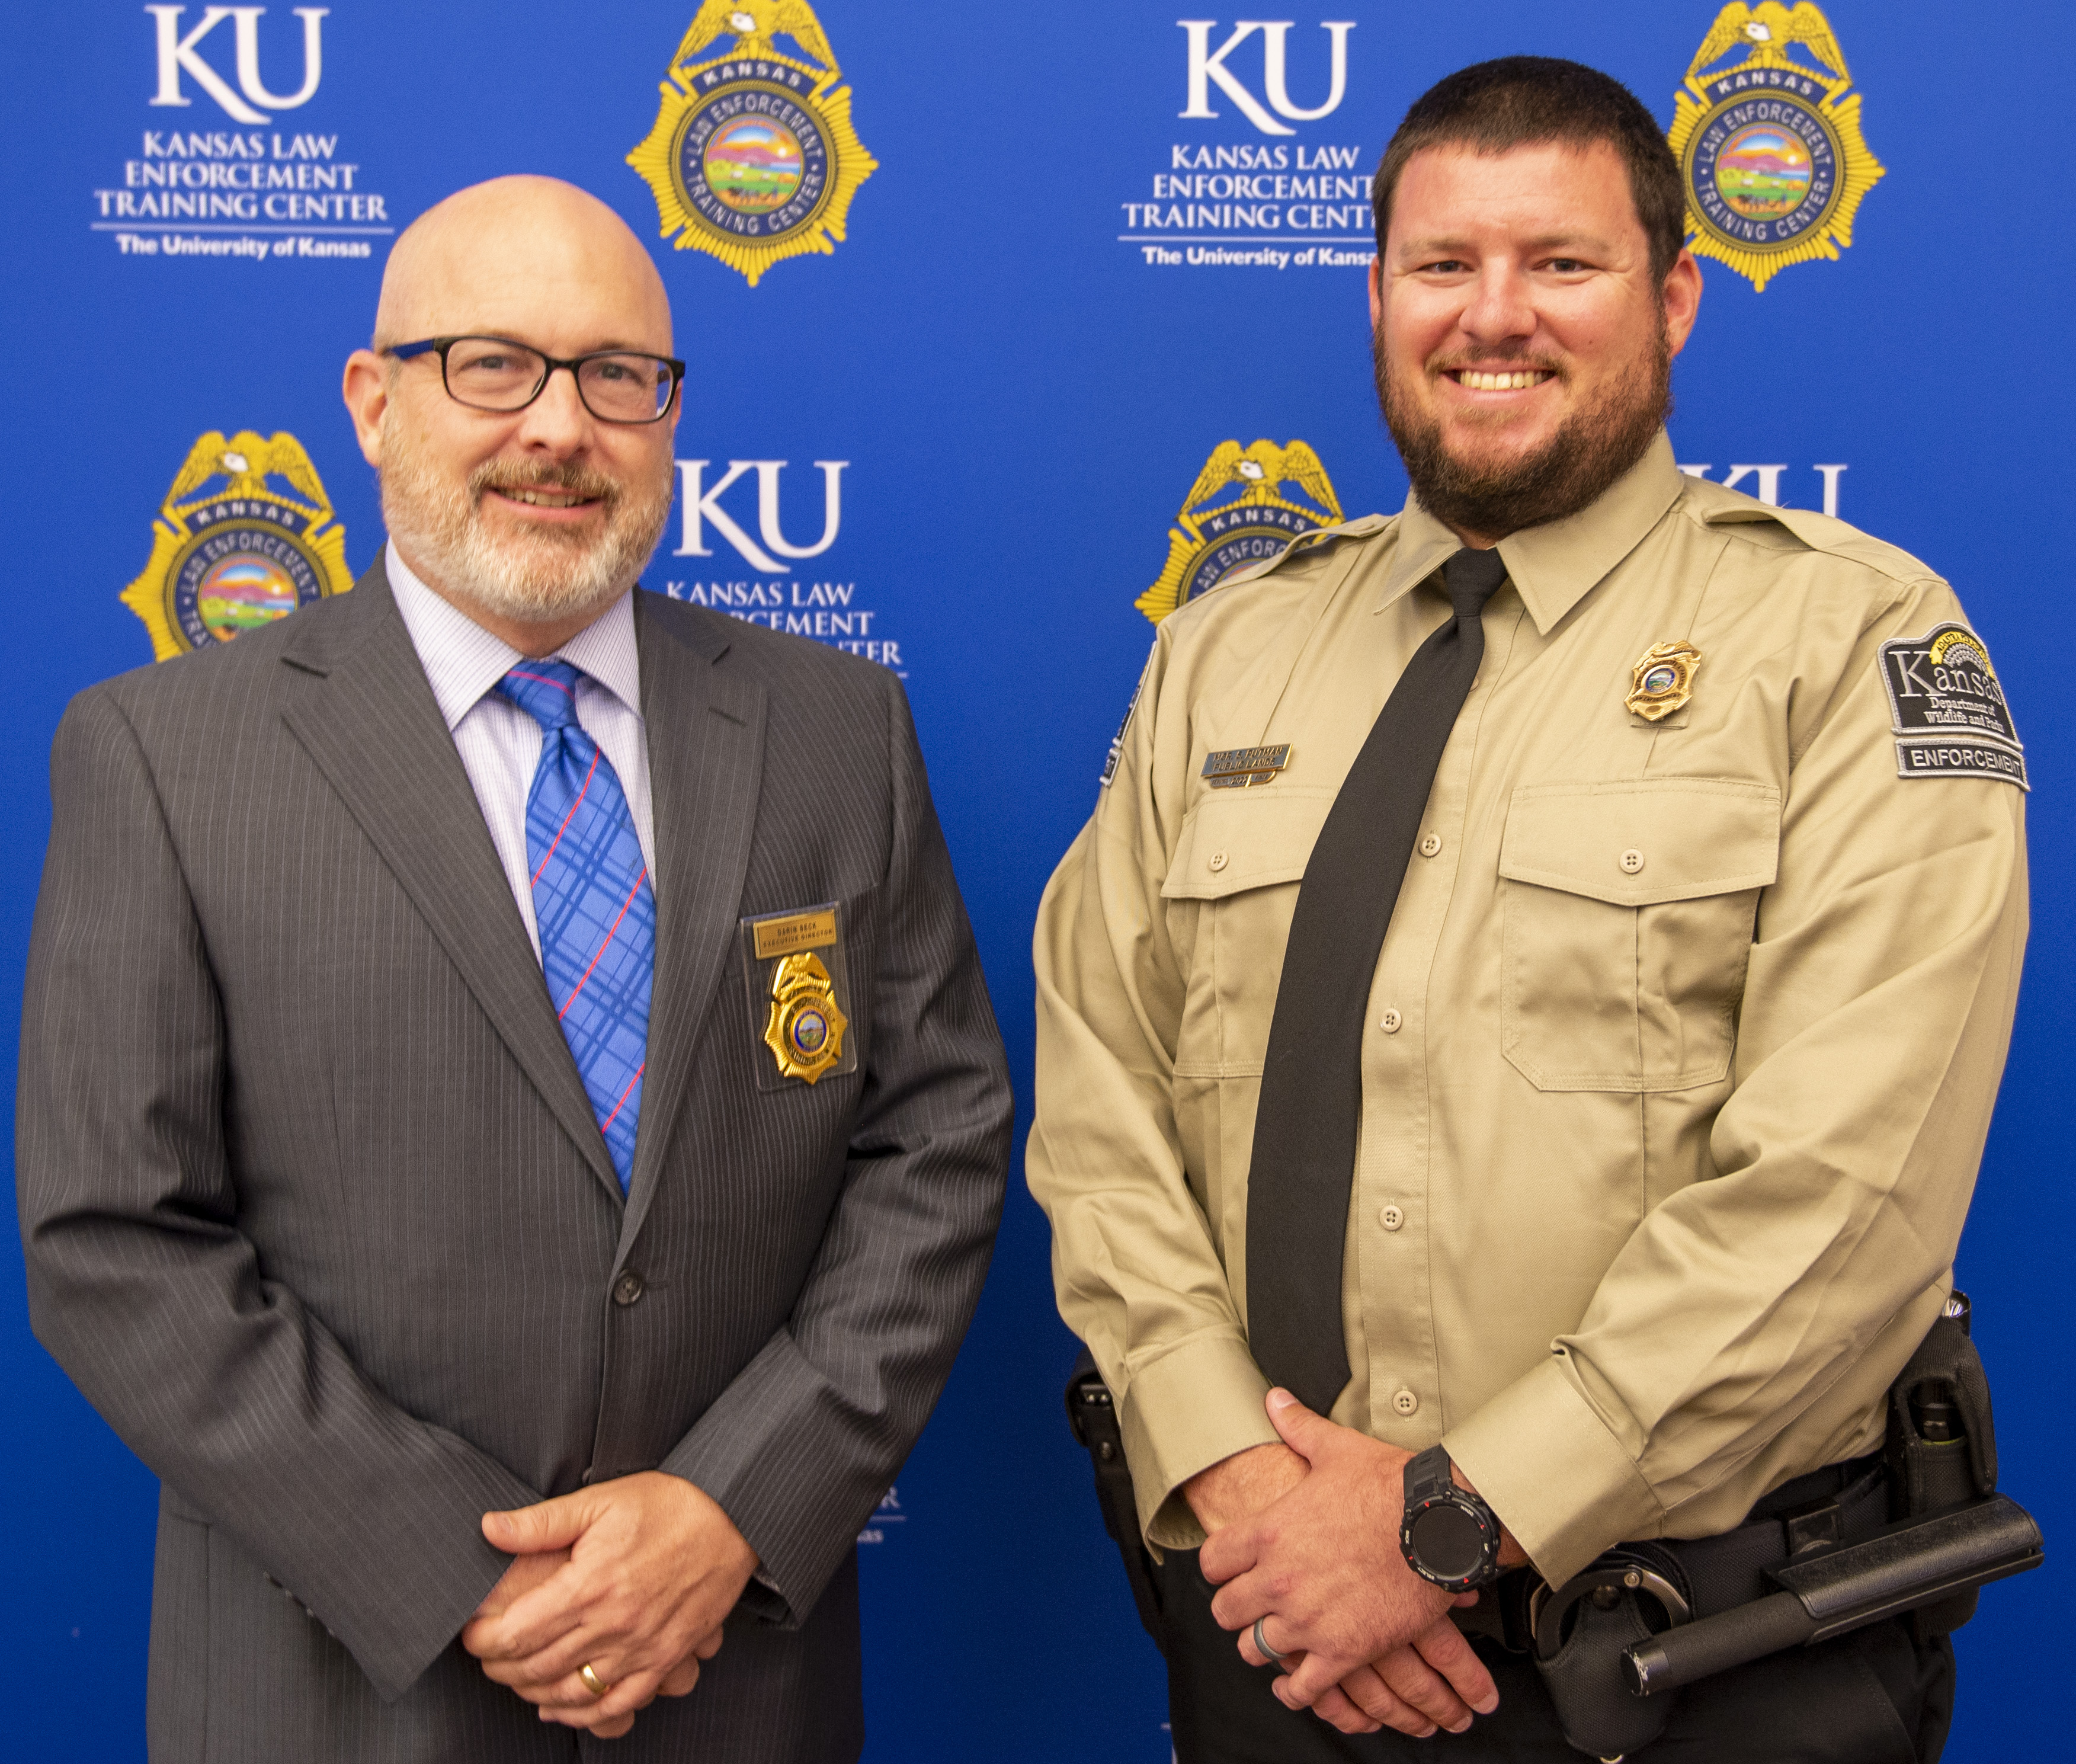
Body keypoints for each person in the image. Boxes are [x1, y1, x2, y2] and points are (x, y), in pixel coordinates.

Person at [1029, 57, 2024, 1763]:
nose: (1495, 316)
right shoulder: (1225, 651)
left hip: (1689, 1655)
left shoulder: (1856, 641)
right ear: (1380, 297)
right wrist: (1247, 1481)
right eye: (1442, 266)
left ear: (1678, 299)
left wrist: (1443, 1519)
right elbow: (1101, 1096)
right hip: (1279, 1628)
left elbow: (1850, 1187)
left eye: (1563, 263)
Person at [17, 175, 1011, 1762]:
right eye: (494, 365)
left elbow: (938, 1144)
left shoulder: (838, 734)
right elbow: (115, 1235)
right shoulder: (162, 755)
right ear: (373, 396)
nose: (561, 428)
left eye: (620, 376)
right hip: (340, 1684)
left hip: (734, 1673)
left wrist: (728, 1507)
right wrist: (458, 1570)